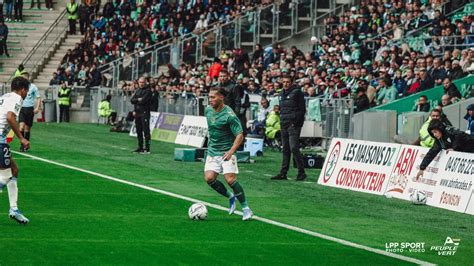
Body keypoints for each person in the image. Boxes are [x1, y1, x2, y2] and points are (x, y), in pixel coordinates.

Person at [204, 87, 253, 221]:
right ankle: (231, 197)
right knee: (209, 179)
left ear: (221, 98)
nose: (210, 100)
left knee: (230, 179)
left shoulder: (230, 115)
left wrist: (232, 151)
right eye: (209, 97)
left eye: (213, 97)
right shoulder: (207, 110)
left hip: (227, 151)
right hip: (213, 151)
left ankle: (246, 208)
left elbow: (239, 135)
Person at [0, 76, 31, 224]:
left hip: (2, 139)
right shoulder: (17, 98)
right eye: (27, 91)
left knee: (14, 171)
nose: (26, 95)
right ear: (23, 90)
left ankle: (14, 209)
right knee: (5, 177)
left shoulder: (5, 96)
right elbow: (10, 117)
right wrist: (22, 138)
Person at [271, 75, 307, 181]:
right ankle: (283, 173)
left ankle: (301, 172)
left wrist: (295, 123)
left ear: (291, 83)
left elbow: (302, 110)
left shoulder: (297, 93)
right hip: (283, 123)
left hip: (293, 124)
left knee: (294, 148)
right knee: (285, 149)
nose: (285, 84)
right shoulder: (281, 93)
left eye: (287, 82)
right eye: (284, 82)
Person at [18, 73, 41, 152]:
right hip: (21, 109)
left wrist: (37, 107)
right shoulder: (20, 87)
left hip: (30, 109)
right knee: (21, 127)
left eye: (24, 78)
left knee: (27, 129)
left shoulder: (33, 87)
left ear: (28, 78)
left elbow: (38, 97)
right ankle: (22, 145)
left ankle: (26, 145)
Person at [130, 77, 152, 154]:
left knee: (146, 130)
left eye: (142, 82)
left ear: (145, 82)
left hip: (144, 112)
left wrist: (137, 100)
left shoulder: (148, 91)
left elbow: (143, 100)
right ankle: (140, 147)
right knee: (139, 130)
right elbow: (132, 100)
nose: (141, 84)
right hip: (137, 113)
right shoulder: (138, 90)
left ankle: (147, 148)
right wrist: (138, 100)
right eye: (140, 82)